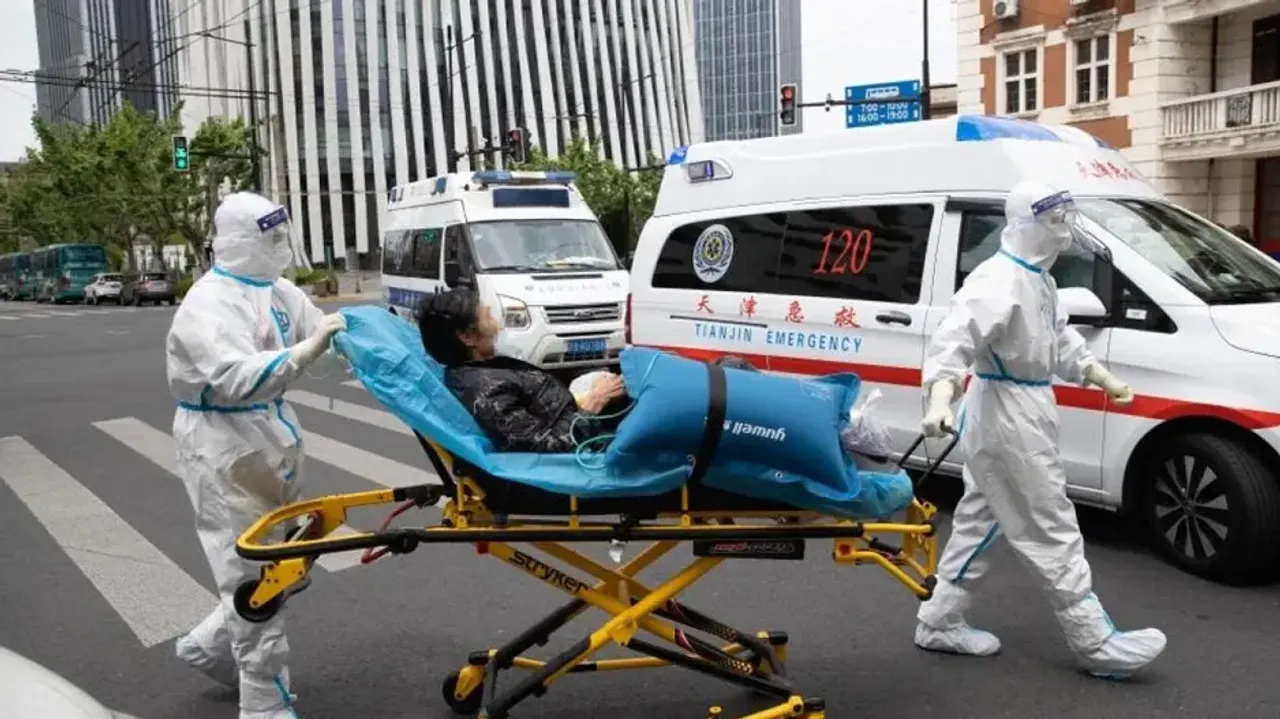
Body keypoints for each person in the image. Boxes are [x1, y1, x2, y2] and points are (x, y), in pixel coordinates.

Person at [915, 180, 1167, 678]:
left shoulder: (1039, 281)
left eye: (1067, 220)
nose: (1065, 232)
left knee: (982, 518)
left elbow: (1060, 337)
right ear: (1025, 224)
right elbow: (952, 341)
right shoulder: (999, 281)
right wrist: (940, 396)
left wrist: (1098, 374)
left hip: (1015, 407)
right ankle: (1095, 642)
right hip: (1008, 413)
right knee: (1049, 521)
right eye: (1056, 222)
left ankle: (940, 619)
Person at [166, 191, 349, 718]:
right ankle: (264, 703)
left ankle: (206, 645)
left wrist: (367, 343)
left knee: (283, 562)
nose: (283, 246)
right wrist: (304, 350)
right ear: (243, 240)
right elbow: (233, 375)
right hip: (222, 446)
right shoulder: (208, 303)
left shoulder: (279, 291)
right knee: (250, 574)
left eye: (283, 235)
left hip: (270, 436)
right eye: (272, 238)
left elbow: (325, 337)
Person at [416, 288, 628, 452]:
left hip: (587, 428)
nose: (498, 326)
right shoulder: (485, 390)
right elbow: (547, 448)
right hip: (593, 447)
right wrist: (594, 402)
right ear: (467, 337)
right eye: (488, 318)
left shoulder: (481, 372)